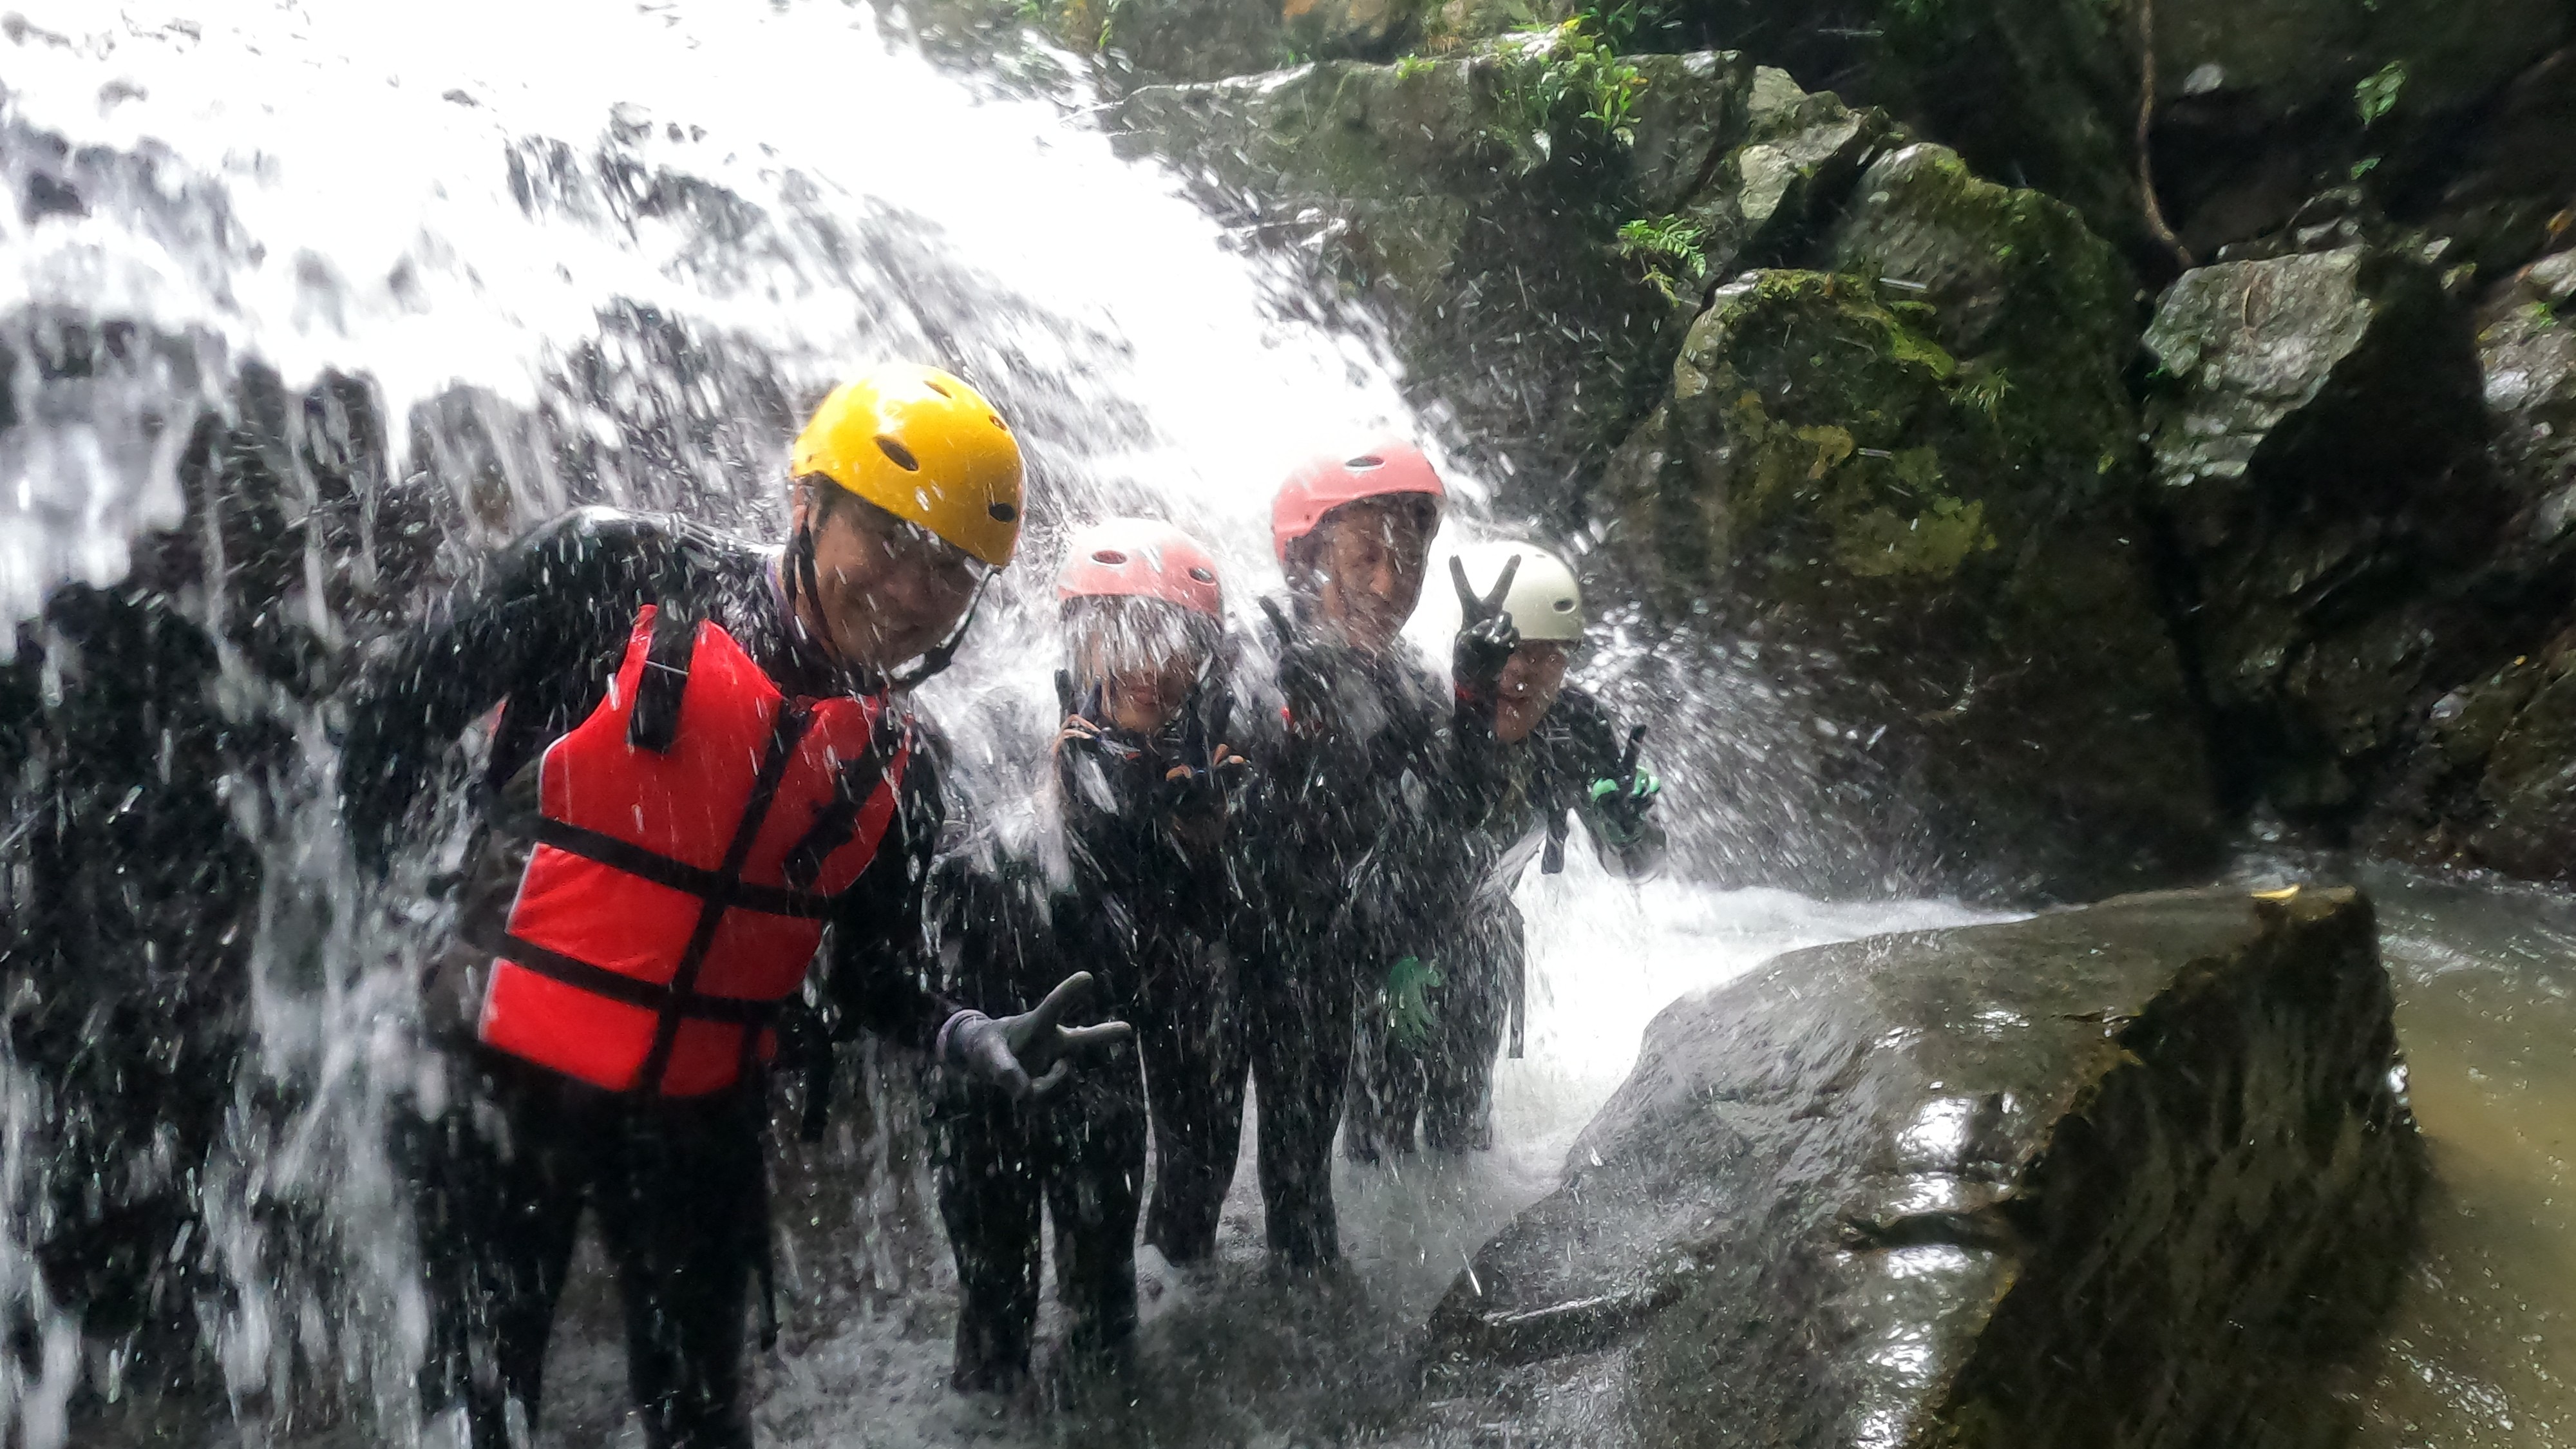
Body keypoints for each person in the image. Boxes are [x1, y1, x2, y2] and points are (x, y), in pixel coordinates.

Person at [339, 363, 1130, 1449]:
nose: (913, 590)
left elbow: (868, 975)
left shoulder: (904, 761)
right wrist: (393, 937)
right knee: (478, 1413)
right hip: (496, 1083)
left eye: (953, 568)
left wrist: (962, 1031)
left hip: (696, 1126)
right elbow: (386, 733)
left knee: (704, 1425)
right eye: (890, 537)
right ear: (807, 503)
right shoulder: (605, 574)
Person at [925, 517, 1249, 1393]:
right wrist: (1051, 802)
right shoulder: (1003, 722)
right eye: (1126, 630)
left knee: (1106, 1314)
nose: (1151, 662)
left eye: (1176, 642)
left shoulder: (1197, 760)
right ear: (1079, 631)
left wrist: (1205, 844)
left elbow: (1210, 942)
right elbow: (946, 893)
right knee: (993, 1317)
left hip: (1097, 1061)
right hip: (983, 1060)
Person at [1345, 539, 1665, 1159]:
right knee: (1378, 1141)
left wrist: (1632, 832)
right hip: (1384, 944)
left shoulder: (1574, 727)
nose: (1520, 672)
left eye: (1545, 655)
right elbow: (1354, 860)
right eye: (1506, 649)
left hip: (1481, 941)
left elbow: (1637, 866)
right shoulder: (1415, 712)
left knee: (1464, 1134)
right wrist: (1387, 953)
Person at [1236, 441, 1454, 1276]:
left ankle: (1304, 1313)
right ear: (1305, 561)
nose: (1391, 584)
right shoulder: (1247, 658)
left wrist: (1476, 724)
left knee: (1303, 1189)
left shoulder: (1412, 687)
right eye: (1366, 556)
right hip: (1219, 958)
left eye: (1410, 561)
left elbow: (1438, 829)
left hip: (1318, 959)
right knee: (1192, 1177)